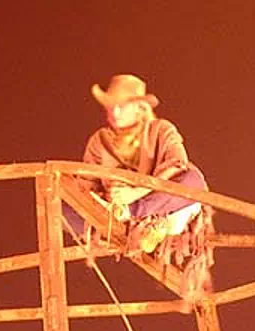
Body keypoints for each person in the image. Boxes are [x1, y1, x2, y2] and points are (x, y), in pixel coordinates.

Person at [65, 74, 214, 289]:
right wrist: (104, 196)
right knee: (64, 205)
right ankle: (123, 225)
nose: (115, 112)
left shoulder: (161, 130)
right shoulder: (99, 141)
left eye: (121, 106)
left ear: (139, 107)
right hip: (113, 213)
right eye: (111, 106)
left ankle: (135, 216)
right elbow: (87, 184)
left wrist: (136, 193)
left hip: (161, 209)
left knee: (193, 180)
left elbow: (178, 165)